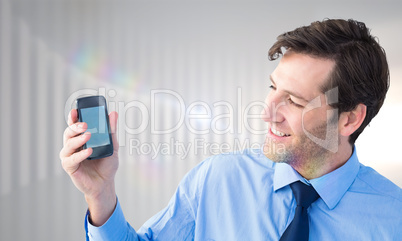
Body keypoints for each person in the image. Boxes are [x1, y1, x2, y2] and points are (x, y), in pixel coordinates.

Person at [60, 19, 402, 240]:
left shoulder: (393, 219)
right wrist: (100, 196)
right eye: (273, 89)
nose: (267, 112)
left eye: (295, 101)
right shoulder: (216, 180)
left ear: (350, 119)